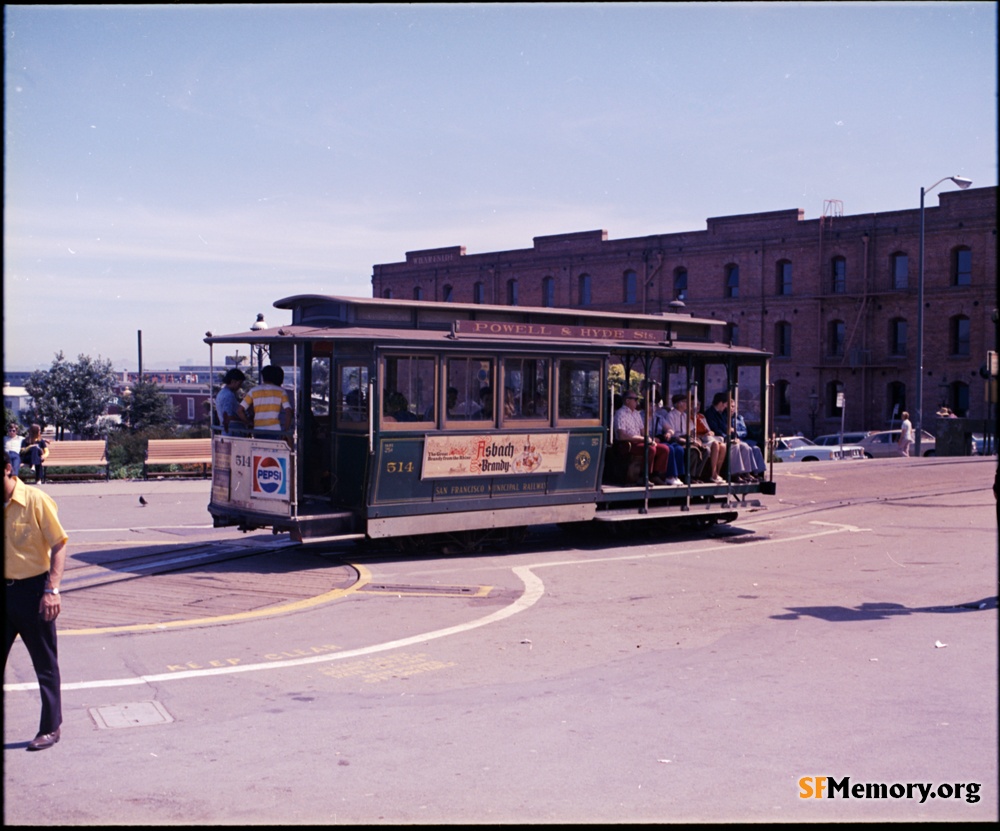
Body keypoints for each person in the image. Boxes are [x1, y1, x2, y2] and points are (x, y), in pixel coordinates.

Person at [5, 455, 68, 750]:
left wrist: (51, 589)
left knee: (44, 664)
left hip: (33, 592)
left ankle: (50, 727)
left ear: (7, 469)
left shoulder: (35, 500)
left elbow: (58, 544)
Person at [613, 391, 681, 486]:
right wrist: (643, 439)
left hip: (639, 442)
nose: (637, 402)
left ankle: (655, 475)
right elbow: (622, 435)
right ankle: (643, 476)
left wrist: (649, 439)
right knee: (650, 449)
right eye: (635, 399)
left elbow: (643, 431)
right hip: (627, 443)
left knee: (664, 449)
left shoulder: (636, 413)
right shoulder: (620, 413)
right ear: (627, 401)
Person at [705, 393, 766, 482]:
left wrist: (734, 437)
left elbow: (726, 427)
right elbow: (716, 429)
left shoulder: (721, 413)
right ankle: (734, 474)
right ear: (722, 403)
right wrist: (728, 437)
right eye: (727, 404)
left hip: (726, 437)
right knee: (735, 447)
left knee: (745, 446)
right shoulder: (710, 413)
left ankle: (746, 473)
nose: (727, 407)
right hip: (719, 439)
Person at [237, 365, 292, 434]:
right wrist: (286, 431)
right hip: (275, 430)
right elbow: (288, 412)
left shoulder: (253, 391)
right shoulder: (281, 392)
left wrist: (248, 423)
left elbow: (240, 410)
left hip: (258, 430)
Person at [215, 368, 246, 436]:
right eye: (239, 383)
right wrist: (244, 420)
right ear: (233, 381)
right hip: (233, 433)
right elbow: (228, 416)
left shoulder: (221, 393)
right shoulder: (229, 395)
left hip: (227, 432)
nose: (240, 386)